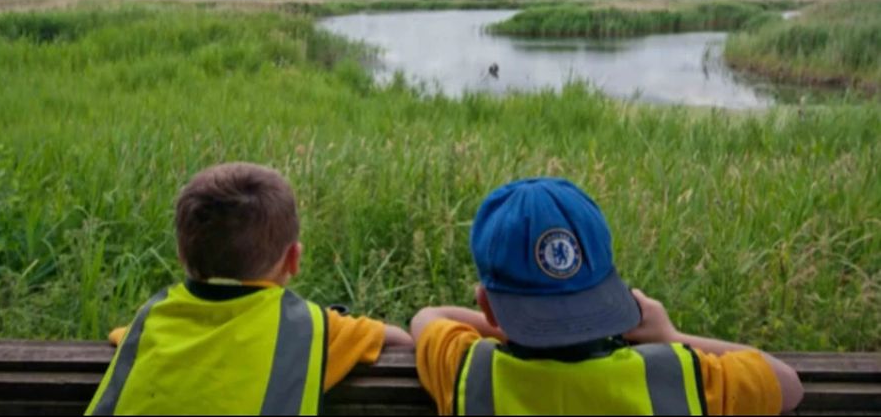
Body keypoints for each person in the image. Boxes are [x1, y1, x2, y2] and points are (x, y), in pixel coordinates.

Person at [411, 177, 804, 415]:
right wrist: (670, 336)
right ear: (611, 294)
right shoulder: (679, 376)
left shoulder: (467, 370)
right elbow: (787, 384)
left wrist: (507, 324)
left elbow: (427, 318)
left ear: (486, 306)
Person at [86, 162, 412, 415]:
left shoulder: (151, 321)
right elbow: (401, 340)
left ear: (182, 255)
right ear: (293, 260)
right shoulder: (311, 331)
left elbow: (122, 336)